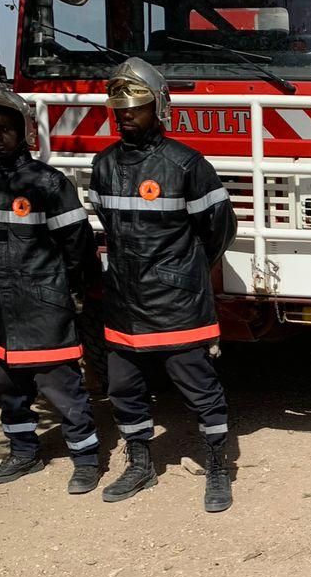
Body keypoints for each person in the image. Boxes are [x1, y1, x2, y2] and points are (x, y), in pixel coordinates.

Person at [90, 58, 238, 511]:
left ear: (159, 107)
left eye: (135, 106)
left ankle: (217, 468)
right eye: (119, 108)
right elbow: (108, 227)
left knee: (201, 391)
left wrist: (184, 270)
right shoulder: (104, 164)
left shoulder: (187, 164)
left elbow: (220, 229)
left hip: (178, 304)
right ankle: (140, 466)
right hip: (124, 303)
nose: (125, 115)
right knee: (124, 390)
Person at [0, 88, 100, 493]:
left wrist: (60, 286)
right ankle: (23, 452)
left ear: (24, 131)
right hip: (1, 306)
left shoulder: (48, 183)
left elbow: (77, 243)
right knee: (8, 386)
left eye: (6, 128)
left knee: (62, 387)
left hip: (45, 304)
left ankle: (86, 458)